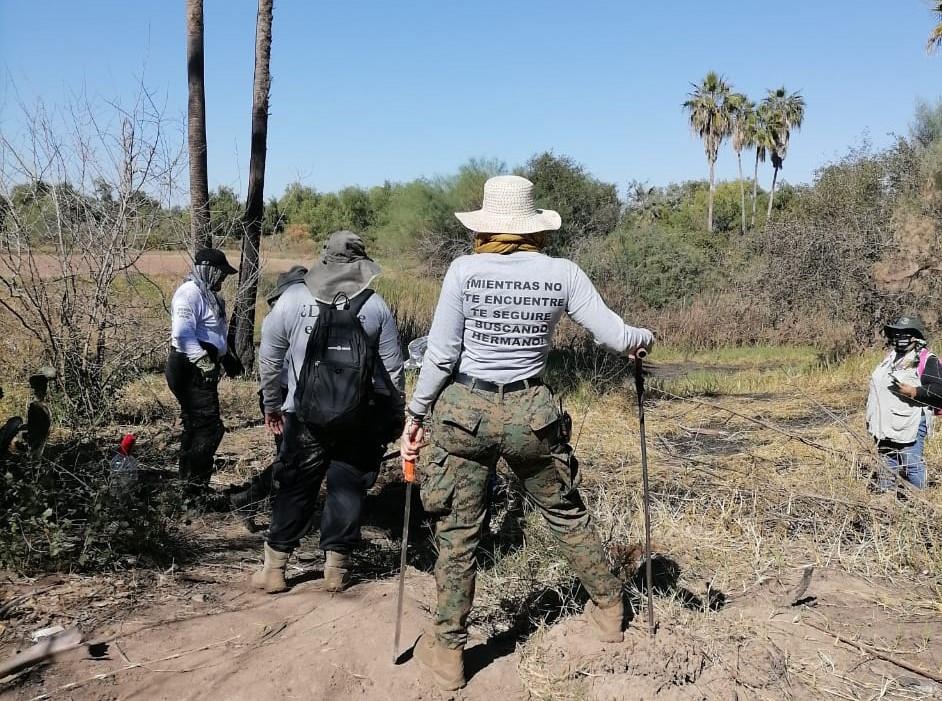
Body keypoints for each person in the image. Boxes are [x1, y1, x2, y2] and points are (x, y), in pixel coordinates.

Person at [400, 175, 654, 691]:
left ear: (486, 226)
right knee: (563, 512)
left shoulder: (464, 271)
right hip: (532, 414)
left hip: (462, 413)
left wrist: (416, 413)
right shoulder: (561, 273)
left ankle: (449, 651)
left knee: (459, 530)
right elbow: (614, 334)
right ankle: (609, 610)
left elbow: (443, 353)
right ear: (534, 226)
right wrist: (641, 338)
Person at [252, 231, 405, 594]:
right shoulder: (375, 305)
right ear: (360, 265)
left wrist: (272, 404)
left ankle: (274, 570)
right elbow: (393, 370)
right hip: (360, 417)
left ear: (324, 260)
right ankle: (335, 570)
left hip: (303, 415)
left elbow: (270, 360)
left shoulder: (291, 299)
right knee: (348, 487)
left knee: (294, 487)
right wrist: (395, 413)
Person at [229, 265, 308, 519]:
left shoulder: (297, 316)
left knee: (292, 458)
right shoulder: (278, 319)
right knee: (290, 458)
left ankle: (272, 507)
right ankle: (249, 502)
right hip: (281, 396)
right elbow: (270, 368)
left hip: (293, 396)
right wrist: (273, 405)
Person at [166, 248, 241, 495]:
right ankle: (195, 490)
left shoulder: (208, 295)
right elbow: (183, 334)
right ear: (209, 270)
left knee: (196, 426)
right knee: (209, 428)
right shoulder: (189, 294)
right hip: (190, 368)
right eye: (221, 274)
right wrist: (204, 362)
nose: (223, 279)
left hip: (200, 366)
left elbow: (212, 332)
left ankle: (187, 487)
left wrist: (226, 357)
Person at [866, 315, 941, 492]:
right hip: (885, 424)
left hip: (910, 423)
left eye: (905, 334)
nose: (900, 338)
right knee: (886, 463)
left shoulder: (926, 359)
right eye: (897, 333)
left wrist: (914, 392)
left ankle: (921, 503)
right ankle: (886, 504)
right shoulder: (891, 357)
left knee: (911, 464)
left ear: (916, 337)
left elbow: (938, 390)